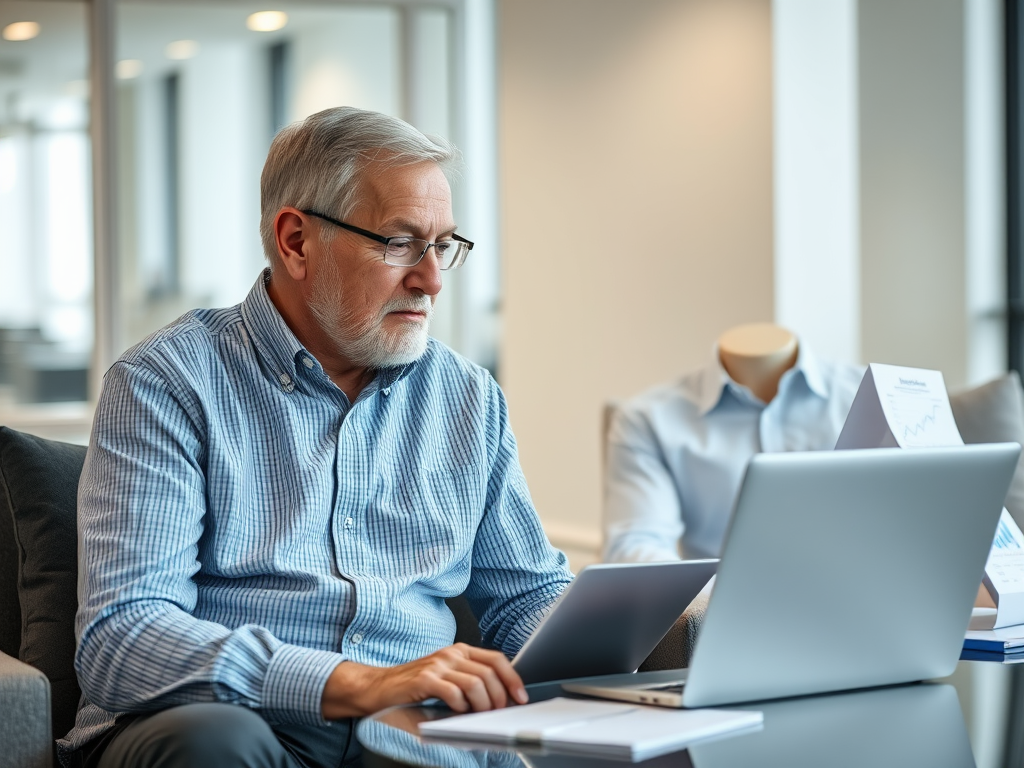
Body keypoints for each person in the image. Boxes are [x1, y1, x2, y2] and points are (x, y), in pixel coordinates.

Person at [59, 106, 572, 768]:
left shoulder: (467, 398)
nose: (432, 279)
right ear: (297, 241)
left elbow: (525, 594)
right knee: (215, 744)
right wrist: (354, 683)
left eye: (443, 245)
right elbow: (121, 640)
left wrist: (583, 664)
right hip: (230, 723)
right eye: (399, 243)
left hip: (408, 735)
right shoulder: (166, 382)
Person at [603, 323, 864, 563]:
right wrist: (714, 598)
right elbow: (635, 545)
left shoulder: (870, 395)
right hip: (713, 606)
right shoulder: (647, 419)